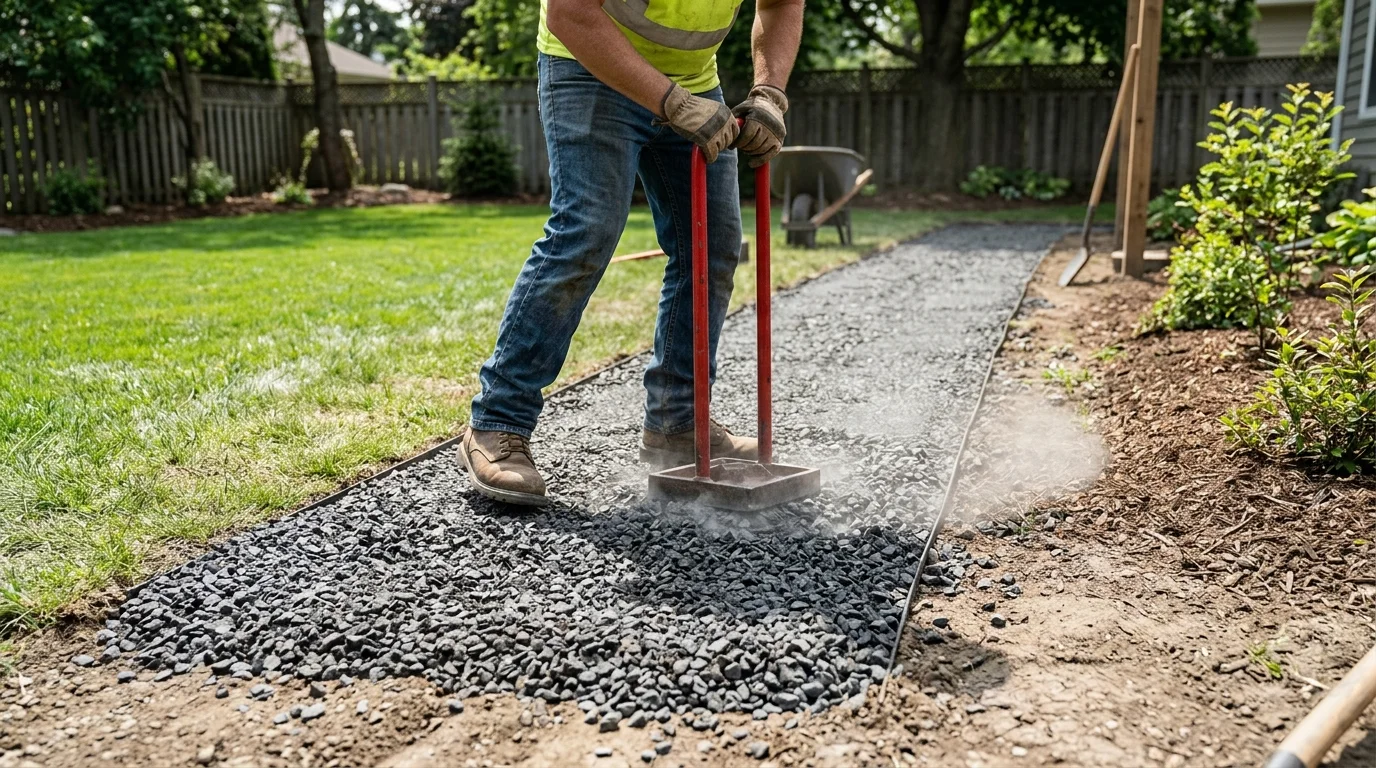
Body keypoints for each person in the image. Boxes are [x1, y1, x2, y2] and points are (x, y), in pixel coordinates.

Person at [459, 0, 803, 506]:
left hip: (694, 80)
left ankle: (676, 425)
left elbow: (781, 4)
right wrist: (672, 104)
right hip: (589, 67)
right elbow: (569, 13)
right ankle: (497, 422)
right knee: (586, 230)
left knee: (711, 247)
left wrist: (770, 93)